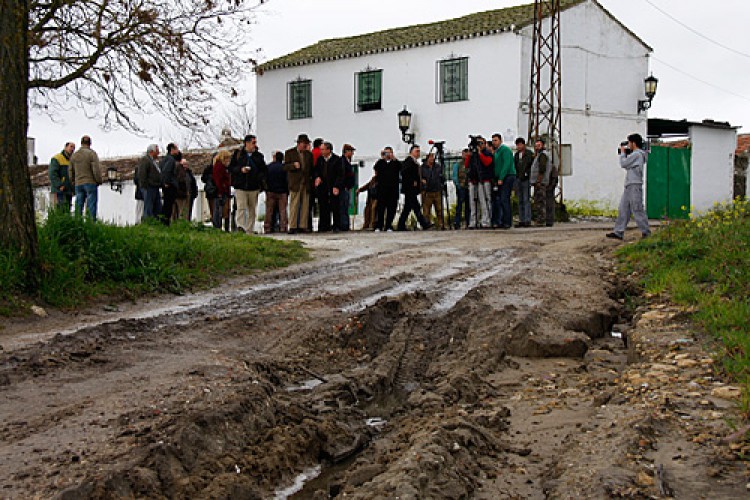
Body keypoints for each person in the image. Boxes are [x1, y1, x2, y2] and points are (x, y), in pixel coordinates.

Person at [607, 133, 651, 240]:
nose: (628, 146)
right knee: (623, 208)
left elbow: (623, 163)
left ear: (633, 143)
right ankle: (618, 232)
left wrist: (622, 153)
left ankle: (646, 232)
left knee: (637, 208)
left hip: (634, 184)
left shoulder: (637, 154)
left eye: (629, 143)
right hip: (630, 184)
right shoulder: (636, 155)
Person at [229, 134, 267, 234]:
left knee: (252, 209)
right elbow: (231, 168)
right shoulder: (238, 155)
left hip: (254, 186)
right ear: (247, 143)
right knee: (241, 207)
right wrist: (240, 170)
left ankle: (250, 229)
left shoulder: (259, 156)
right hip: (240, 186)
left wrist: (258, 177)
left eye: (255, 143)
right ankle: (241, 227)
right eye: (253, 143)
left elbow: (264, 170)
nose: (255, 145)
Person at [284, 134, 314, 234]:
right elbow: (284, 167)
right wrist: (293, 165)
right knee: (294, 205)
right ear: (299, 143)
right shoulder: (289, 153)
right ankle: (292, 226)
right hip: (295, 183)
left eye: (307, 144)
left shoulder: (309, 155)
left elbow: (311, 169)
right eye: (304, 143)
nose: (305, 146)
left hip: (305, 183)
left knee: (305, 205)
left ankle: (303, 225)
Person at [397, 144, 432, 231]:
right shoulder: (408, 161)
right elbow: (405, 173)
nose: (418, 153)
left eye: (419, 151)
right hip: (410, 189)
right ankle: (424, 224)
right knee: (416, 207)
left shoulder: (414, 162)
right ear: (411, 152)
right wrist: (413, 181)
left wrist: (420, 181)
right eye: (417, 151)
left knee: (407, 208)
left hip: (412, 189)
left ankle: (401, 225)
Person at [70, 135, 102, 221]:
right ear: (90, 143)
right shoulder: (92, 154)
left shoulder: (74, 155)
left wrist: (73, 181)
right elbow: (96, 169)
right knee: (91, 205)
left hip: (78, 183)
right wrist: (98, 180)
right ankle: (91, 224)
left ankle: (77, 223)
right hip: (90, 182)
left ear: (81, 143)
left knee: (79, 204)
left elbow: (70, 170)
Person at [313, 141, 343, 232]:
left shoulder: (337, 160)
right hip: (323, 186)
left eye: (322, 149)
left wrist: (337, 186)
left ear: (328, 150)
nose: (321, 151)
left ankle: (336, 225)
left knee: (335, 207)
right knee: (323, 206)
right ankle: (324, 226)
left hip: (333, 186)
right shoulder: (320, 160)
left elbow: (340, 174)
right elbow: (316, 170)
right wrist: (317, 177)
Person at [530, 138, 558, 227]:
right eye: (536, 145)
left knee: (540, 201)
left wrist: (539, 180)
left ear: (542, 146)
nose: (536, 147)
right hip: (543, 181)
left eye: (539, 145)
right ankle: (548, 220)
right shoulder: (540, 155)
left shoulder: (542, 155)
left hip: (541, 182)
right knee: (544, 200)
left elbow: (542, 168)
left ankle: (541, 220)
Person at [372, 146, 401, 232]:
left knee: (391, 209)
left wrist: (394, 158)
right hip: (382, 190)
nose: (388, 154)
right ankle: (379, 225)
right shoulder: (380, 162)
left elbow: (401, 167)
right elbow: (375, 168)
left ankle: (388, 225)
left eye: (389, 152)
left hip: (393, 190)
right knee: (380, 208)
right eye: (386, 152)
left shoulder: (395, 163)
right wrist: (382, 157)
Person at [492, 133, 516, 229]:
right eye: (493, 140)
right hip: (500, 177)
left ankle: (507, 221)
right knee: (501, 200)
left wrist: (501, 177)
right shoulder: (497, 151)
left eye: (496, 140)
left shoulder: (505, 150)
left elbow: (506, 165)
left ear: (500, 140)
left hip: (507, 176)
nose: (494, 142)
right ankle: (502, 220)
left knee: (504, 199)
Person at [264, 151, 289, 234]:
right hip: (282, 191)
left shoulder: (268, 167)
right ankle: (283, 227)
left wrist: (266, 188)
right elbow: (287, 180)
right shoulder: (284, 167)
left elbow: (265, 179)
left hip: (271, 191)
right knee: (282, 210)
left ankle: (267, 227)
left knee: (269, 210)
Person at [136, 144, 163, 220]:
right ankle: (148, 222)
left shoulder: (154, 162)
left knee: (157, 207)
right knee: (148, 207)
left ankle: (156, 222)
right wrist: (145, 186)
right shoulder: (145, 160)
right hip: (149, 188)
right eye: (157, 151)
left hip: (155, 187)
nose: (158, 153)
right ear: (152, 151)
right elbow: (142, 173)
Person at [513, 138, 534, 228]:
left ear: (524, 145)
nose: (519, 147)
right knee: (520, 200)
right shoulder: (517, 155)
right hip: (519, 179)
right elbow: (515, 166)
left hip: (526, 179)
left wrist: (527, 174)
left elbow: (532, 165)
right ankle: (521, 219)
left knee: (526, 199)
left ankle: (527, 219)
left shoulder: (529, 154)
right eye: (517, 145)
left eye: (520, 145)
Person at [48, 142, 75, 211]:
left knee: (67, 209)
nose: (72, 149)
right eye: (71, 147)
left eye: (73, 148)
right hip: (59, 190)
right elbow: (52, 173)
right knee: (60, 208)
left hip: (68, 190)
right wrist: (59, 185)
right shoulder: (57, 158)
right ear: (65, 147)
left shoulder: (72, 160)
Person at [421, 152, 443, 228]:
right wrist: (423, 181)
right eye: (430, 157)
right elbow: (420, 177)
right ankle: (427, 224)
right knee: (426, 210)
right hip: (427, 192)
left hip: (437, 190)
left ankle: (441, 224)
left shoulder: (437, 166)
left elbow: (441, 176)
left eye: (433, 157)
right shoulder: (422, 167)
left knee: (439, 209)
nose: (432, 159)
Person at [159, 143, 180, 225]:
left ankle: (164, 222)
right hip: (170, 186)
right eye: (176, 149)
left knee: (167, 205)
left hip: (168, 185)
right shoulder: (170, 160)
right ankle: (165, 223)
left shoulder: (165, 159)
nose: (178, 150)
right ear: (172, 150)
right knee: (168, 205)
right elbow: (166, 171)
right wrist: (166, 182)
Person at [212, 149, 232, 231]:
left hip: (222, 191)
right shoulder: (219, 167)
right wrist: (222, 190)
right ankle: (218, 227)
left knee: (221, 210)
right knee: (219, 210)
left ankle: (220, 227)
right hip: (221, 192)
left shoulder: (219, 166)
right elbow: (219, 180)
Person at [452, 149, 471, 229]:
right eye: (464, 154)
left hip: (469, 187)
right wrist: (458, 185)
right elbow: (455, 176)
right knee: (459, 205)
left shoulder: (470, 164)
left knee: (468, 205)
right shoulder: (458, 164)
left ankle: (468, 221)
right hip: (461, 187)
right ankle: (457, 222)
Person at [339, 144, 356, 231]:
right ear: (346, 152)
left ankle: (345, 224)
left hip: (347, 188)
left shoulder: (347, 161)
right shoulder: (342, 162)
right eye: (351, 152)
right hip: (344, 188)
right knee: (343, 206)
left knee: (345, 206)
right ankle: (344, 225)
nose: (352, 154)